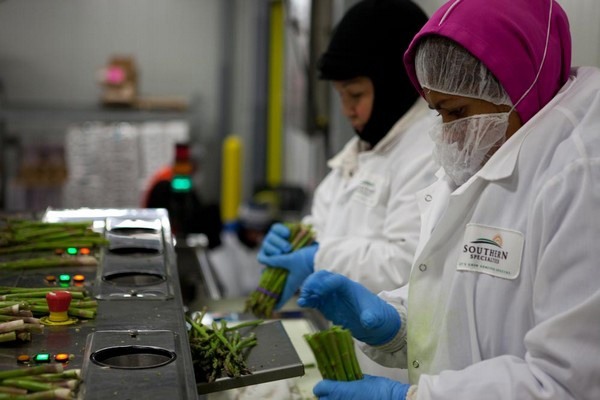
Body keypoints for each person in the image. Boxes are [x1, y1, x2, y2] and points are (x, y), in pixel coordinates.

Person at [297, 0, 600, 399]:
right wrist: (397, 324)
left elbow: (566, 383)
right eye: (438, 113)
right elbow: (461, 299)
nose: (449, 135)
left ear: (517, 87)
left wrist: (409, 398)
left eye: (457, 111)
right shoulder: (483, 151)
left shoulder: (581, 178)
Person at [257, 0, 436, 311]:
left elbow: (405, 263)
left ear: (394, 85)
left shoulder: (429, 152)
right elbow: (329, 221)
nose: (346, 110)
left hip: (388, 336)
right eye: (341, 96)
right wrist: (300, 238)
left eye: (355, 95)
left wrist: (317, 257)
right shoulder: (366, 147)